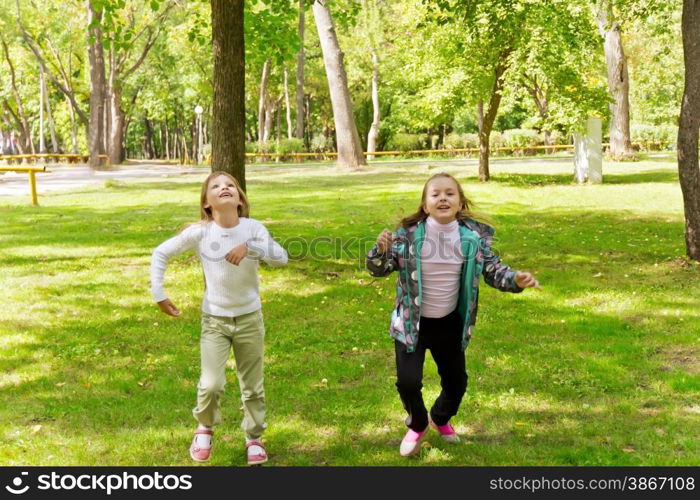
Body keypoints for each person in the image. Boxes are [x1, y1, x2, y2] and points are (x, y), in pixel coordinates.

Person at [366, 172, 540, 457]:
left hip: (449, 323)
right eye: (435, 194)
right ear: (425, 205)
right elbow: (378, 270)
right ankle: (418, 423)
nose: (442, 198)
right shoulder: (408, 236)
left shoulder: (473, 238)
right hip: (412, 323)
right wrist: (380, 251)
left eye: (450, 193)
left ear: (460, 203)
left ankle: (440, 418)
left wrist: (515, 280)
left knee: (456, 383)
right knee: (408, 382)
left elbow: (493, 270)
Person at [151, 171, 287, 465]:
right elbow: (160, 253)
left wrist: (251, 247)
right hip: (215, 320)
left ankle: (254, 437)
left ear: (239, 199)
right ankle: (205, 427)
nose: (224, 188)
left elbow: (281, 257)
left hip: (249, 318)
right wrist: (159, 294)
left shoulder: (253, 229)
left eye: (230, 185)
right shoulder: (201, 232)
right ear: (207, 203)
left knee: (252, 384)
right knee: (211, 384)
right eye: (216, 186)